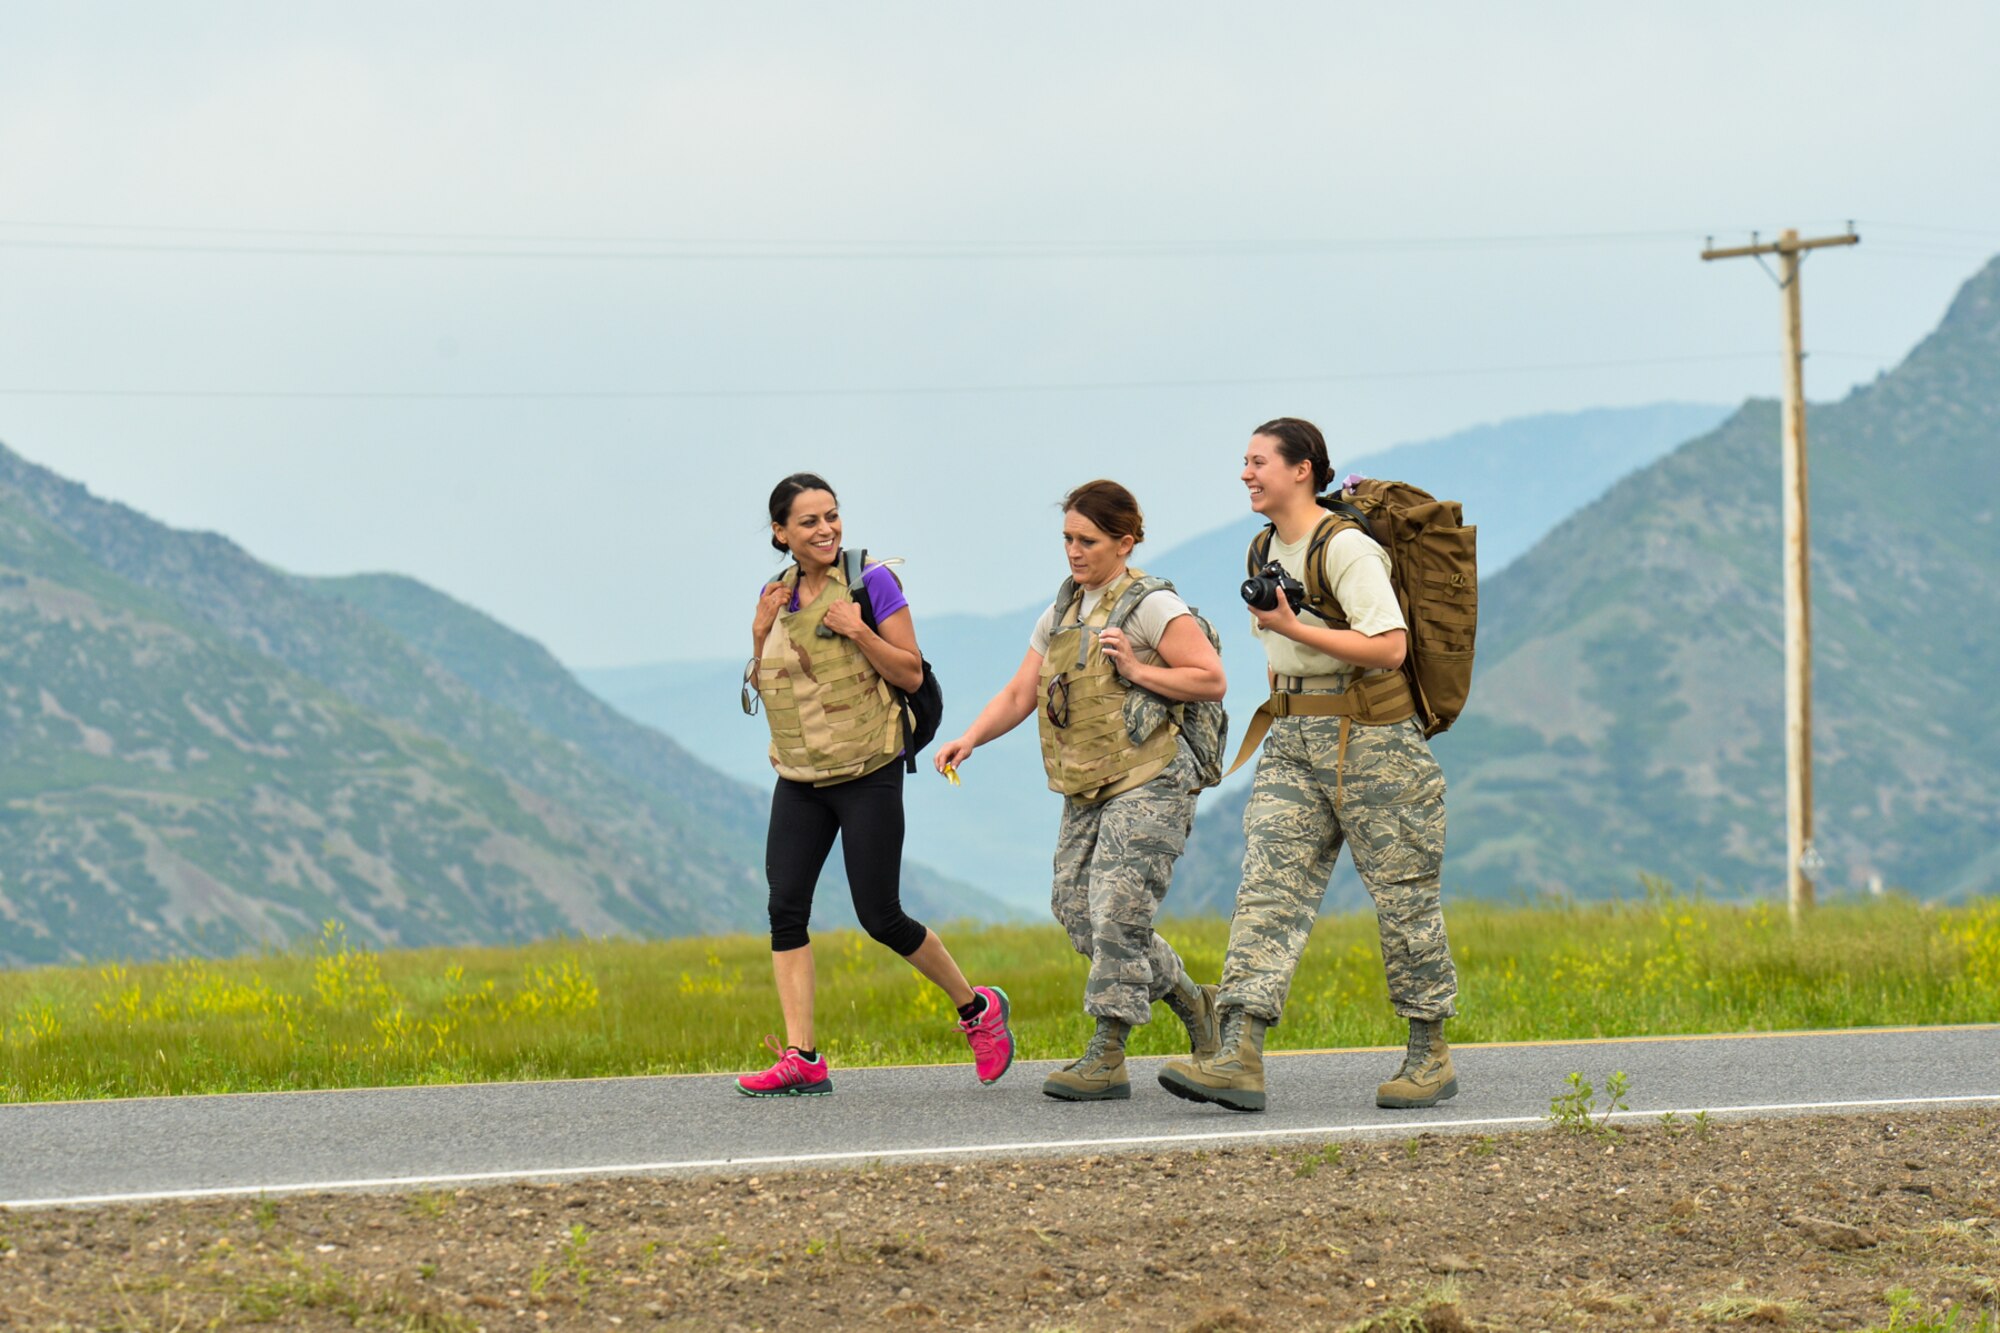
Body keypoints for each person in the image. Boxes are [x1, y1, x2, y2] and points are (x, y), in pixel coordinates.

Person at [1159, 419, 1460, 1113]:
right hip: (1294, 735)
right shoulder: (1263, 545)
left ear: (1302, 470)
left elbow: (1388, 646)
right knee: (1268, 888)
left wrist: (1294, 627)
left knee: (1403, 895)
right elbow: (1277, 640)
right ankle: (1238, 1051)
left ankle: (1429, 1050)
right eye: (1244, 461)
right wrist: (1286, 654)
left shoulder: (1348, 549)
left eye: (1258, 461)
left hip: (1375, 739)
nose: (1246, 473)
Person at [935, 480, 1227, 1101]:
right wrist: (970, 738)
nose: (1073, 551)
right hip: (1088, 785)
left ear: (1124, 543)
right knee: (1076, 911)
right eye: (1067, 538)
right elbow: (1020, 694)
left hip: (1152, 779)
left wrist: (1139, 670)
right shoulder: (1062, 612)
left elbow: (1211, 678)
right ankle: (1193, 1000)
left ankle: (1108, 1053)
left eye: (1087, 540)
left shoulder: (1152, 607)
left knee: (1118, 910)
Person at [737, 472, 1014, 1097]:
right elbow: (771, 688)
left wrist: (859, 628)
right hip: (801, 777)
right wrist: (758, 634)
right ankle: (802, 1058)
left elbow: (912, 674)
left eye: (831, 516)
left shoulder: (873, 581)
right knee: (786, 910)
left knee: (880, 916)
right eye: (809, 522)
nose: (826, 529)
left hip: (867, 773)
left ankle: (977, 1009)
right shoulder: (774, 595)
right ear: (781, 533)